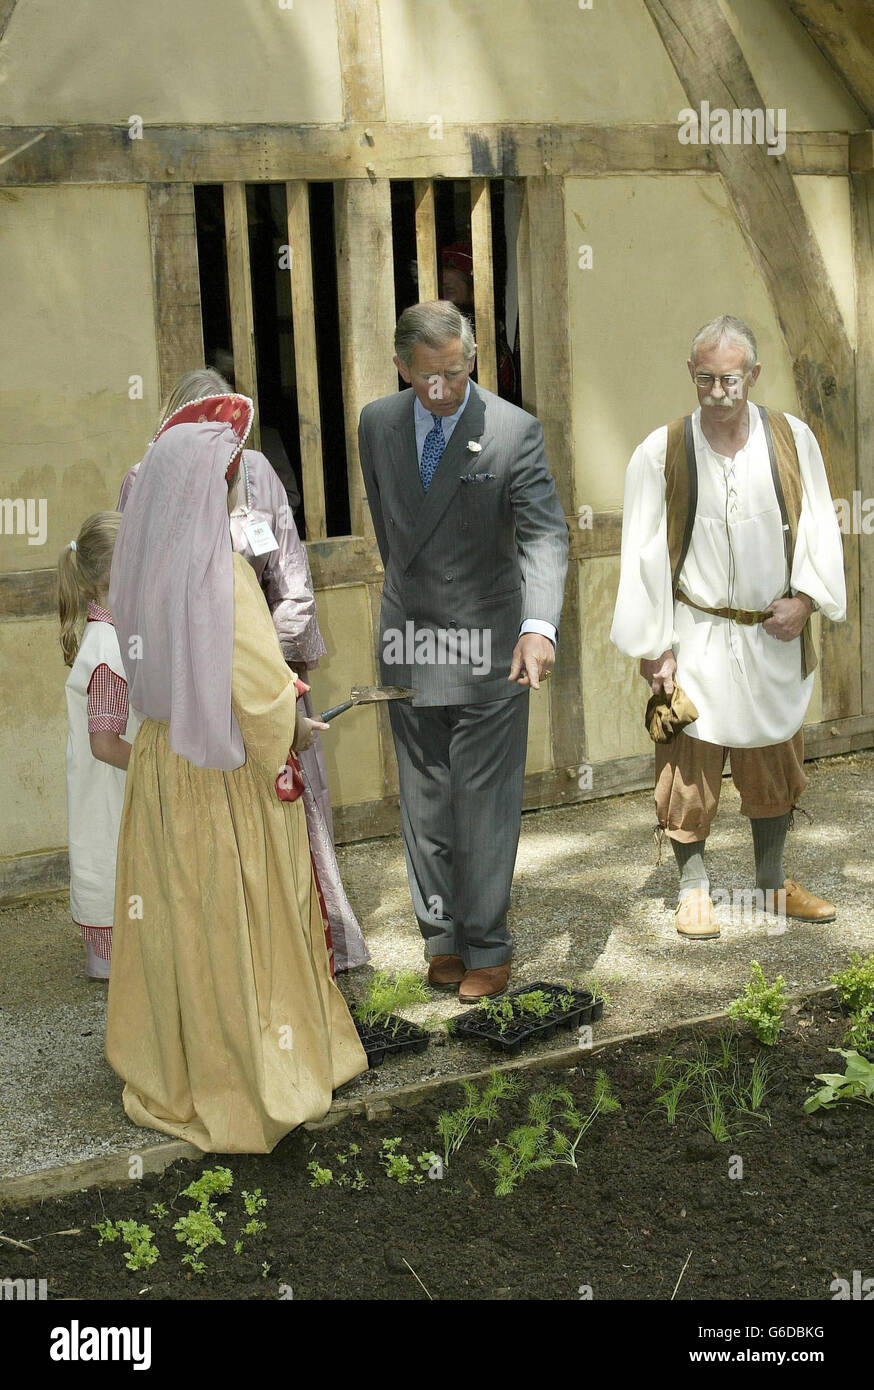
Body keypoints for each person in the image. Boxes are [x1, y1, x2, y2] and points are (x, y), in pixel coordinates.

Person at [105, 394, 367, 1153]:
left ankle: (178, 1063)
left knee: (181, 922)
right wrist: (296, 727)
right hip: (222, 773)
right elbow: (257, 691)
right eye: (227, 475)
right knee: (241, 917)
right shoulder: (218, 574)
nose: (232, 487)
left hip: (162, 767)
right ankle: (253, 1073)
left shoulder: (141, 568)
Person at [358, 300, 569, 1002]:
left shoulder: (512, 430)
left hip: (491, 644)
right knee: (423, 800)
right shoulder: (377, 424)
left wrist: (538, 626)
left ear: (472, 359)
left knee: (482, 801)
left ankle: (489, 945)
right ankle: (442, 938)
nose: (442, 391)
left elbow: (543, 535)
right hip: (409, 640)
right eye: (426, 379)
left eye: (454, 373)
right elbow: (396, 537)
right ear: (400, 368)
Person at [610, 314, 846, 940]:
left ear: (754, 376)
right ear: (692, 375)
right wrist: (654, 644)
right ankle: (694, 890)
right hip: (697, 635)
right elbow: (642, 551)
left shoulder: (793, 439)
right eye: (706, 379)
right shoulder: (659, 451)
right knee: (689, 764)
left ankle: (770, 884)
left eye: (731, 380)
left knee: (774, 758)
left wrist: (805, 600)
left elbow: (819, 523)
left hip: (773, 632)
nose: (718, 392)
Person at [58, 513, 140, 980]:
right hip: (111, 793)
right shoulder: (107, 649)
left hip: (106, 793)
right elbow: (105, 744)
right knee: (115, 864)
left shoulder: (108, 636)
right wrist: (155, 763)